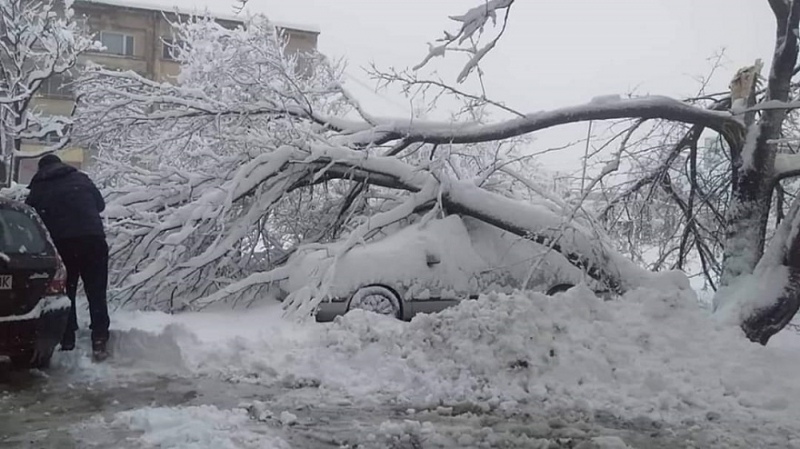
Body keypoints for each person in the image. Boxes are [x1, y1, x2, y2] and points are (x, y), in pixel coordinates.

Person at [25, 154, 109, 360]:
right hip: (93, 240)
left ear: (41, 169)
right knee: (96, 290)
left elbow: (30, 217)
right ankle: (99, 337)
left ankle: (67, 337)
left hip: (63, 244)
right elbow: (100, 205)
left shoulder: (39, 186)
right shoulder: (81, 178)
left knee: (66, 290)